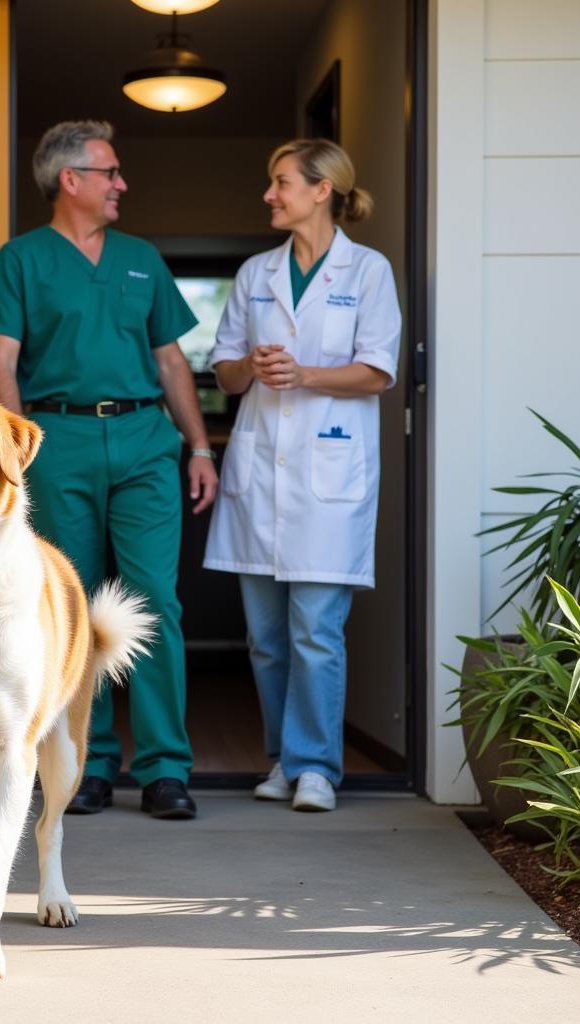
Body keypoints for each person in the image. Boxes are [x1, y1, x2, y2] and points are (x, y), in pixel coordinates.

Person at [0, 119, 218, 820]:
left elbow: (171, 360)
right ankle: (88, 761)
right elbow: (0, 363)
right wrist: (13, 455)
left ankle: (166, 766)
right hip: (58, 438)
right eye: (110, 172)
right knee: (72, 607)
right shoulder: (20, 261)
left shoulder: (140, 258)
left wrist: (198, 447)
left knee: (153, 601)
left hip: (144, 439)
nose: (122, 184)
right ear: (69, 180)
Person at [203, 138, 401, 812]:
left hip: (328, 475)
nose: (269, 194)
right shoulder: (257, 273)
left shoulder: (367, 271)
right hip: (260, 472)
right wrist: (250, 367)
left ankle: (317, 766)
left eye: (280, 183)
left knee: (317, 629)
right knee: (265, 638)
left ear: (322, 190)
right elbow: (223, 368)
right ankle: (282, 759)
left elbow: (377, 370)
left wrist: (305, 373)